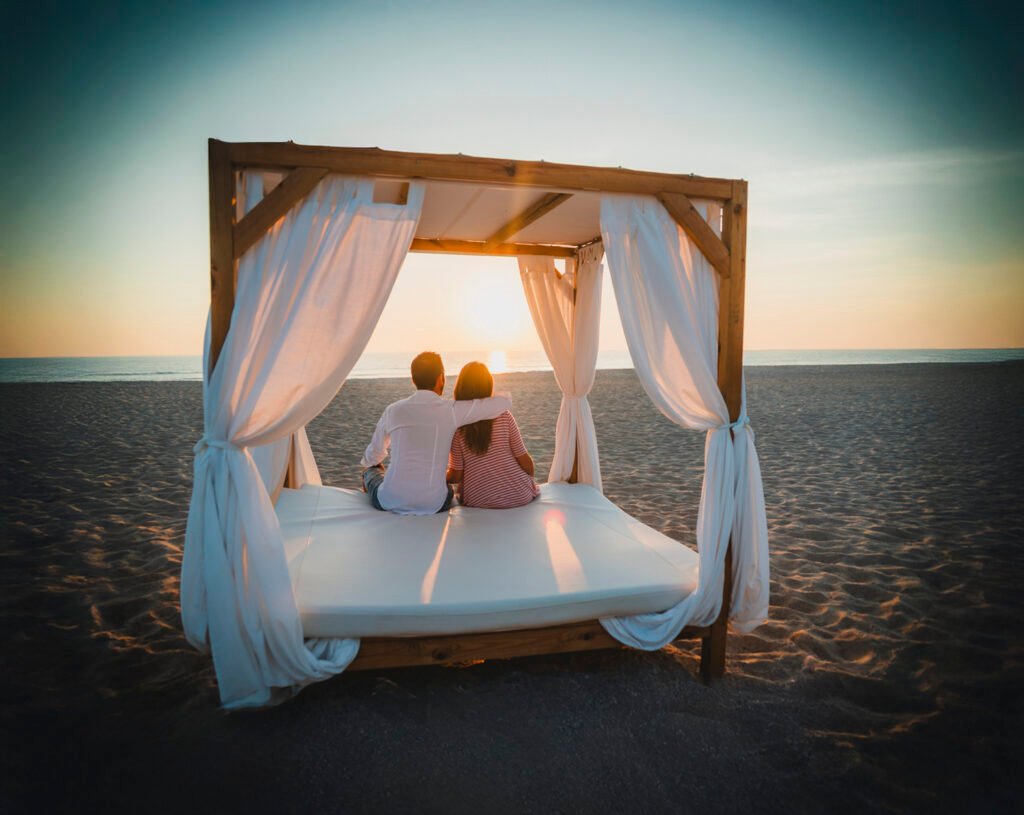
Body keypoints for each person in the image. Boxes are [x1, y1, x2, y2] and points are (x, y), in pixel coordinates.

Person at [361, 352, 513, 515]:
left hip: (390, 500)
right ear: (441, 378)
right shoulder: (452, 411)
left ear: (414, 380)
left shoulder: (393, 410)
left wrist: (373, 464)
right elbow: (504, 402)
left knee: (371, 470)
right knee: (444, 487)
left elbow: (373, 455)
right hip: (435, 503)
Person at [446, 361, 539, 509]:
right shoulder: (504, 416)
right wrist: (530, 481)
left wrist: (442, 477)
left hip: (478, 499)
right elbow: (524, 460)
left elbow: (456, 476)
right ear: (488, 386)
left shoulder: (458, 426)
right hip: (519, 495)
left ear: (460, 388)